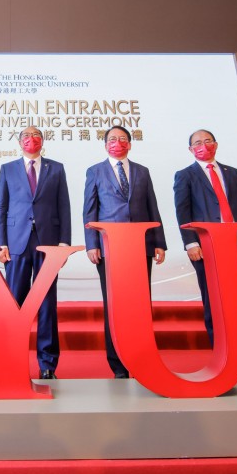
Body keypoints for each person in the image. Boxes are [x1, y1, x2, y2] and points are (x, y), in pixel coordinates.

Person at [173, 129, 237, 377]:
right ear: (190, 149)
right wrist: (190, 243)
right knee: (214, 303)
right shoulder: (185, 175)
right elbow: (182, 212)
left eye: (207, 141)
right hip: (206, 247)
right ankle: (223, 358)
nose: (203, 145)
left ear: (215, 145)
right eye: (197, 142)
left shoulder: (233, 173)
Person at [83, 126, 166, 378]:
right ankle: (118, 364)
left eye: (122, 139)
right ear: (105, 145)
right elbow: (90, 211)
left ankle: (142, 358)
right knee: (114, 306)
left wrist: (159, 242)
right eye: (112, 139)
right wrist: (92, 244)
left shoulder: (142, 171)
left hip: (141, 246)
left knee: (140, 305)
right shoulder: (95, 171)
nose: (117, 143)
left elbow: (152, 207)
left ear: (130, 144)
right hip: (109, 248)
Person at [0, 126, 71, 380]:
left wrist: (64, 243)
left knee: (47, 302)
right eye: (26, 136)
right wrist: (0, 243)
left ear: (43, 141)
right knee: (14, 301)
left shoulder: (56, 168)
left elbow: (64, 205)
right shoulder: (7, 169)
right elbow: (1, 207)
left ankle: (47, 363)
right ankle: (11, 358)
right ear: (19, 142)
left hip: (48, 242)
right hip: (16, 242)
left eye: (36, 135)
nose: (31, 139)